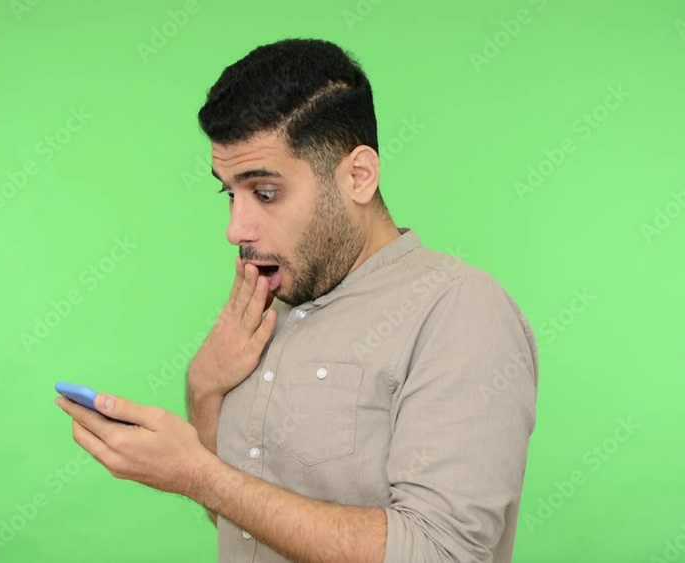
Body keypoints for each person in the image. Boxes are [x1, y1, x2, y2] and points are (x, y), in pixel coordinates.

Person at [56, 38, 538, 563]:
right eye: (229, 194)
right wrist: (204, 388)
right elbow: (243, 518)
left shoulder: (460, 312)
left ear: (358, 177)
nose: (235, 229)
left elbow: (438, 552)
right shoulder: (271, 304)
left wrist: (197, 474)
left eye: (265, 193)